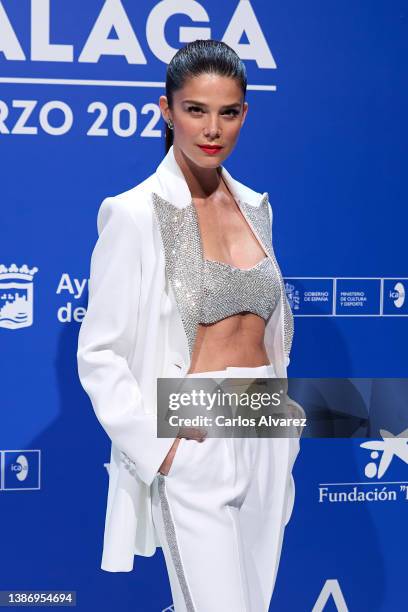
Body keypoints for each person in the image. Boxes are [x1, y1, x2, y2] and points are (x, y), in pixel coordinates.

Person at [77, 39, 303, 612]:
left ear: (244, 114)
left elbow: (269, 328)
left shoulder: (257, 207)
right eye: (196, 109)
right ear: (166, 109)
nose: (212, 128)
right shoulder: (134, 212)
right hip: (193, 429)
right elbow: (98, 353)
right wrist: (163, 447)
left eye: (228, 112)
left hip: (265, 427)